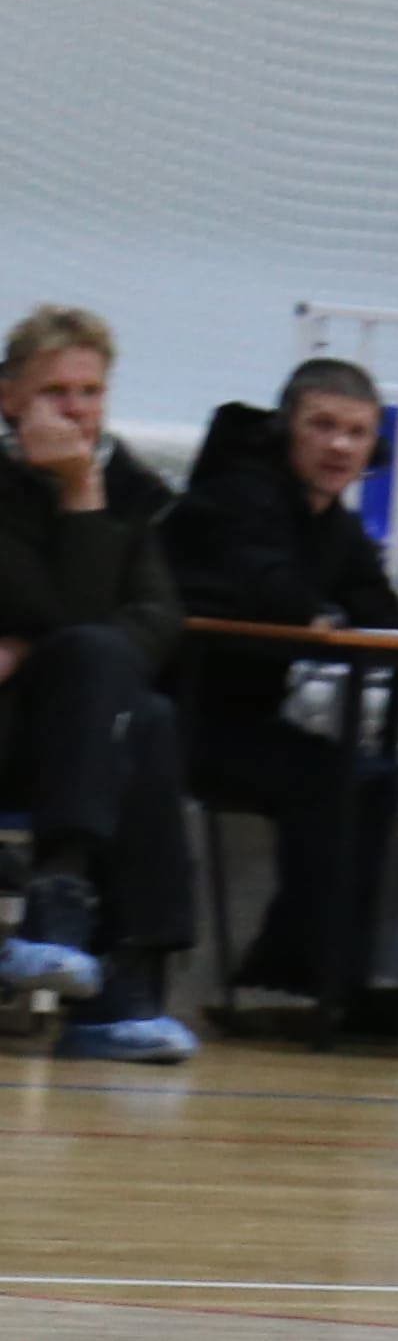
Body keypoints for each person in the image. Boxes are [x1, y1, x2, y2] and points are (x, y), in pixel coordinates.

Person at [160, 349, 398, 1024]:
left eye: (356, 433)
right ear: (284, 431)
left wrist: (337, 609)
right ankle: (292, 983)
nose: (340, 447)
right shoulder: (236, 494)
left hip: (242, 721)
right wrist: (322, 610)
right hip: (174, 719)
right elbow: (273, 593)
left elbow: (381, 611)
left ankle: (317, 978)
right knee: (336, 782)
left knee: (372, 779)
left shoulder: (332, 521)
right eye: (322, 426)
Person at [0, 305, 197, 1062]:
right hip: (11, 724)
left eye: (91, 392)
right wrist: (80, 493)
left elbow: (158, 618)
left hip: (76, 730)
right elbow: (55, 608)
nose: (77, 410)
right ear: (10, 397)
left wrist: (86, 487)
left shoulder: (128, 488)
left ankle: (67, 907)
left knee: (136, 706)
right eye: (56, 392)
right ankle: (116, 987)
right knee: (122, 695)